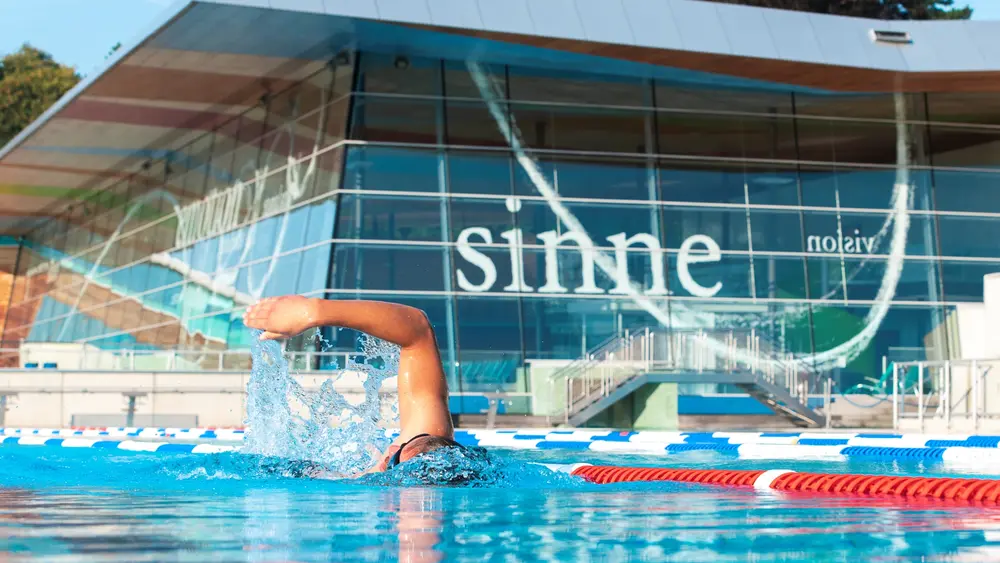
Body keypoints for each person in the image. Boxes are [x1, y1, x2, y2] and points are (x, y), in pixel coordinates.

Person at [242, 296, 467, 475]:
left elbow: (419, 327)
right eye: (406, 442)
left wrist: (315, 311)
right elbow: (418, 330)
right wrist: (313, 312)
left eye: (396, 458)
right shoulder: (432, 452)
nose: (390, 449)